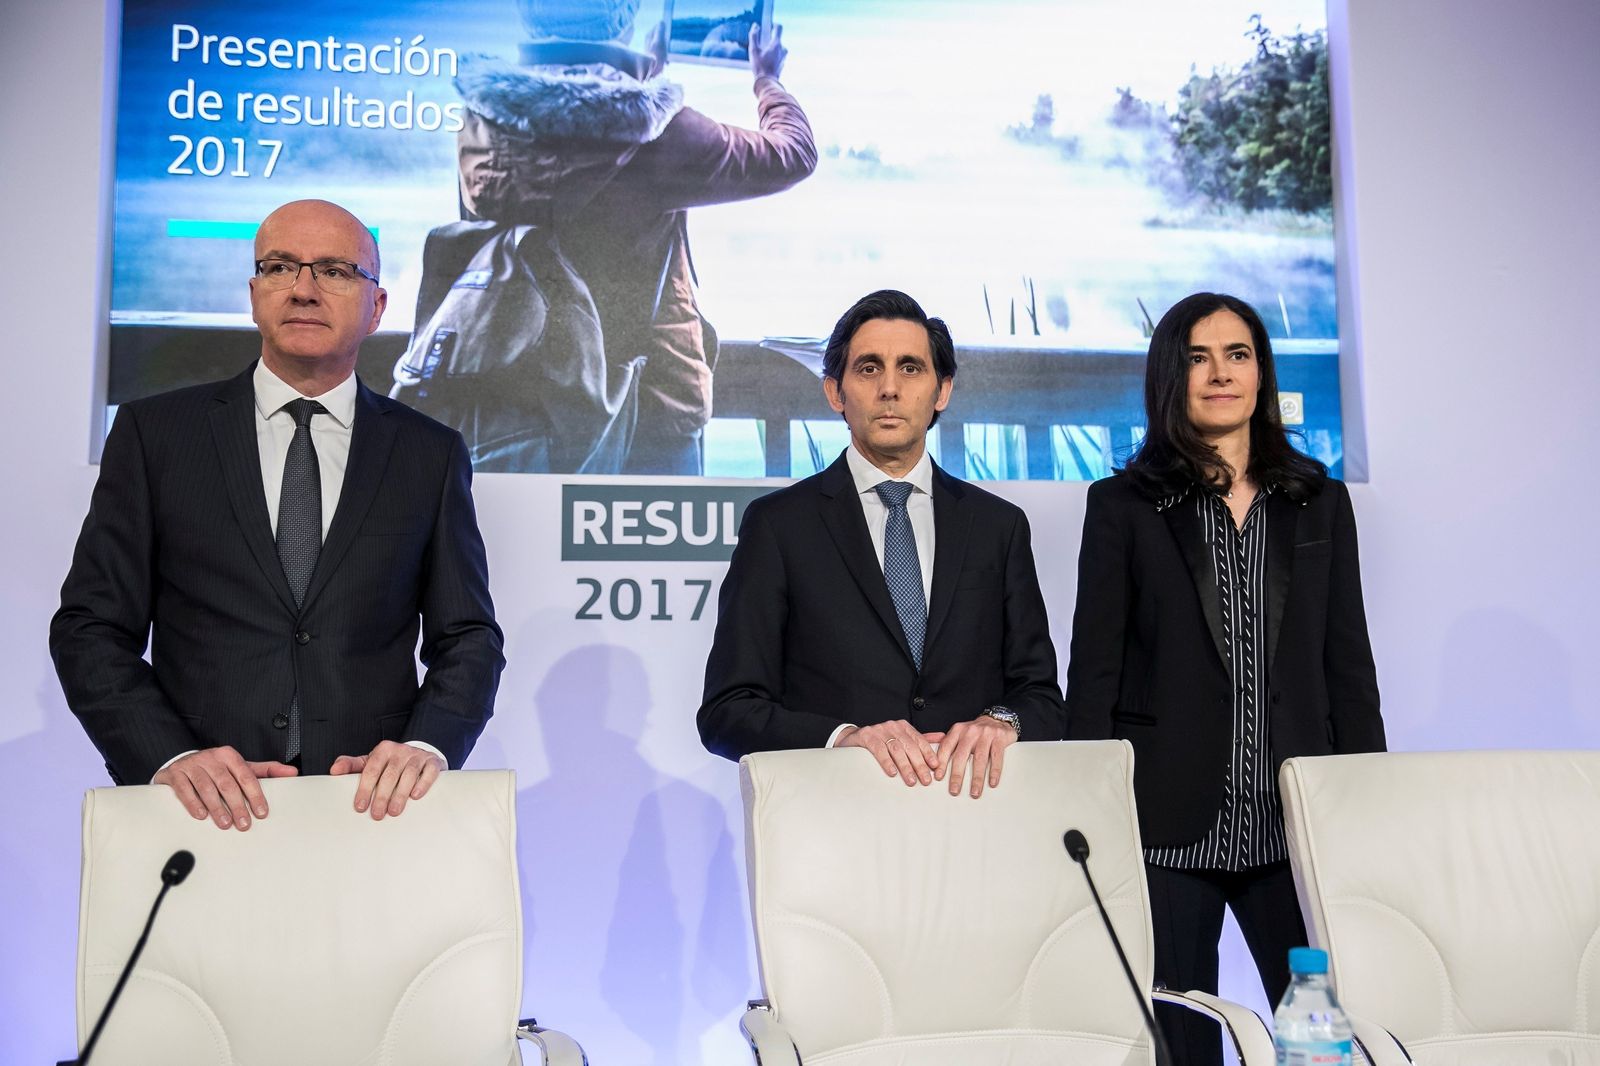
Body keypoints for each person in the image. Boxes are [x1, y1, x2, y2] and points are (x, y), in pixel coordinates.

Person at [50, 199, 505, 832]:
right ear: (254, 292)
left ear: (377, 307)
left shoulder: (428, 452)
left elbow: (469, 637)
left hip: (370, 814)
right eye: (281, 266)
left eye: (336, 271)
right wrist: (167, 757)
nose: (304, 289)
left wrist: (426, 748)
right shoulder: (156, 435)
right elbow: (90, 627)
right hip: (199, 812)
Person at [1063, 293, 1384, 1065]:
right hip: (1168, 831)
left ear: (1261, 374)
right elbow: (1094, 669)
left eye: (1237, 355)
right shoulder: (1124, 505)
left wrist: (1367, 807)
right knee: (1181, 1046)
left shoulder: (1317, 501)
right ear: (1172, 375)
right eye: (1199, 357)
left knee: (1320, 1045)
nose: (1220, 374)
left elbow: (1349, 662)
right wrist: (1090, 812)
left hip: (1292, 826)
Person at [699, 290, 1064, 795]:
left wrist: (1002, 721)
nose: (890, 388)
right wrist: (841, 738)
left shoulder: (997, 526)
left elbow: (1041, 696)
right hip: (836, 824)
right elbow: (727, 711)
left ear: (943, 391)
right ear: (835, 392)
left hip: (974, 823)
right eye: (869, 369)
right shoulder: (779, 526)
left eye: (911, 368)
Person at [448, 0, 817, 474]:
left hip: (516, 394)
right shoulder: (660, 133)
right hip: (648, 404)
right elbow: (791, 154)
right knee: (651, 549)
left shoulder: (481, 121)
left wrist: (642, 77)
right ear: (624, 17)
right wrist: (768, 79)